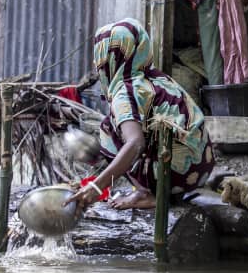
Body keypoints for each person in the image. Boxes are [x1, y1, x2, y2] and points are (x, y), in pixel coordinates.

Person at [66, 19, 215, 210]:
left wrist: (97, 186)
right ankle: (157, 189)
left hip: (175, 174)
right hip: (200, 168)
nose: (96, 62)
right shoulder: (155, 79)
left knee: (108, 128)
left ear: (108, 56)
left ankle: (147, 193)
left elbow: (136, 143)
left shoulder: (125, 91)